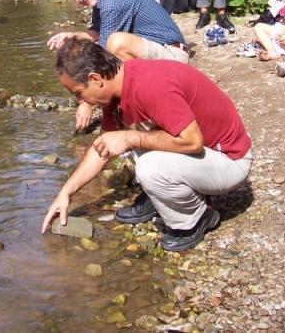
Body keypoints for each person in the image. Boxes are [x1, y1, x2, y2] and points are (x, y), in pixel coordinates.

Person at [41, 39, 252, 252]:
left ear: (95, 79)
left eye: (78, 93)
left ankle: (196, 218)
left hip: (229, 161)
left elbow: (192, 142)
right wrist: (66, 192)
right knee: (127, 138)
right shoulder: (117, 90)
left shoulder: (149, 85)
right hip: (202, 157)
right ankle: (160, 196)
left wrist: (130, 138)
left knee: (149, 165)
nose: (80, 100)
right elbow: (102, 149)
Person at [47, 0, 189, 129]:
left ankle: (136, 114)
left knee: (116, 44)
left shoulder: (113, 1)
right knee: (108, 48)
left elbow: (103, 55)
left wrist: (86, 101)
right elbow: (98, 32)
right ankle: (124, 108)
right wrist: (74, 36)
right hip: (159, 53)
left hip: (174, 57)